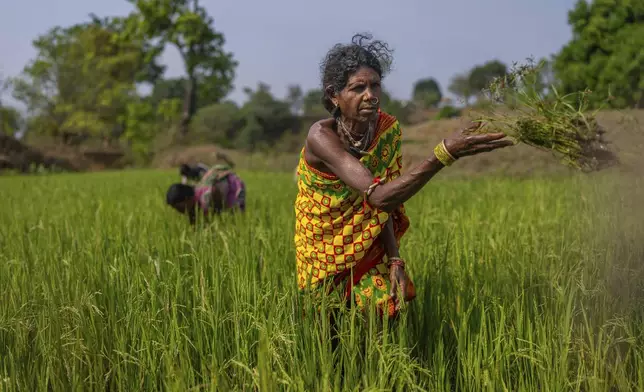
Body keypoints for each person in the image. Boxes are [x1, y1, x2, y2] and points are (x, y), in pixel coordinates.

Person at [294, 33, 513, 319]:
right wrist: (443, 154)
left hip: (366, 246)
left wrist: (395, 258)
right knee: (326, 326)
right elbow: (380, 197)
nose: (370, 95)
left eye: (375, 85)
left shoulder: (386, 131)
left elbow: (378, 210)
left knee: (384, 309)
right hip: (323, 248)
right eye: (357, 88)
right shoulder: (321, 137)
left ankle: (376, 365)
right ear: (334, 95)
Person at [167, 164, 246, 225]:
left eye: (180, 208)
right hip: (221, 192)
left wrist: (215, 215)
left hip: (233, 186)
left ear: (187, 198)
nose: (180, 211)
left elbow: (214, 192)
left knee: (236, 218)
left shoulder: (205, 196)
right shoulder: (192, 207)